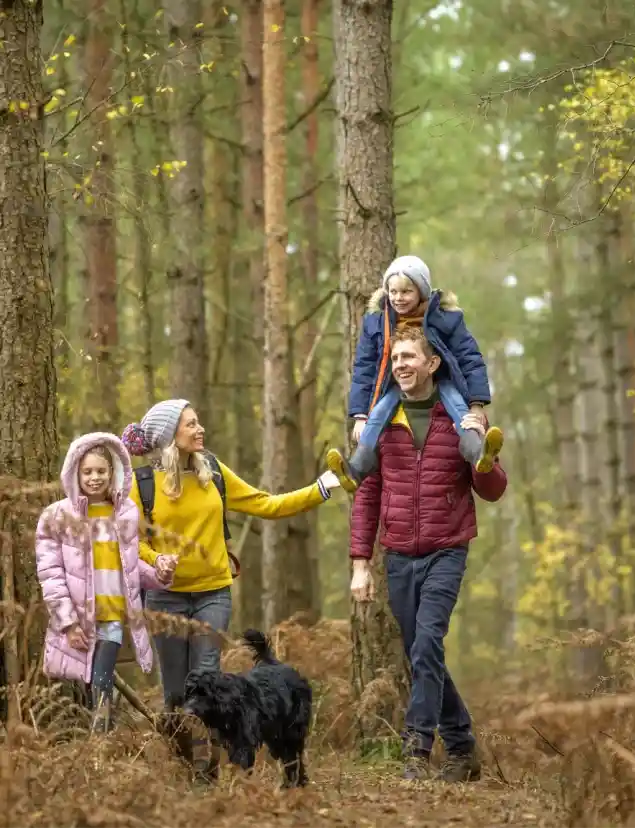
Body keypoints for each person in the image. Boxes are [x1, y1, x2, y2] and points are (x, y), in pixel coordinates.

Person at [120, 398, 340, 777]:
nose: (199, 429)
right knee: (175, 693)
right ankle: (183, 764)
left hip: (213, 593)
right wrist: (156, 559)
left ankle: (209, 772)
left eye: (198, 420)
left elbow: (266, 504)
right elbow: (129, 538)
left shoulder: (215, 473)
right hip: (163, 598)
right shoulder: (141, 483)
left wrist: (319, 489)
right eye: (190, 424)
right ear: (169, 435)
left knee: (209, 683)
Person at [348, 326, 508, 782]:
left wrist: (485, 460)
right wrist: (362, 563)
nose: (400, 365)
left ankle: (416, 750)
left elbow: (493, 491)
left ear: (432, 363)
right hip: (397, 554)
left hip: (446, 549)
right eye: (395, 358)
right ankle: (461, 748)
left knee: (427, 644)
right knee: (424, 654)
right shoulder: (382, 421)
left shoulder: (458, 416)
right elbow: (367, 493)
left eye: (409, 357)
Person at [35, 432, 177, 733]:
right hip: (80, 617)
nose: (94, 478)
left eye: (101, 471)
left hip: (112, 614)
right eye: (87, 471)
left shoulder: (125, 513)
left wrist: (159, 575)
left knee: (101, 678)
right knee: (86, 685)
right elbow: (51, 574)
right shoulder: (56, 516)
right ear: (75, 472)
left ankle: (100, 748)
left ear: (113, 472)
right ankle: (93, 752)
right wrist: (68, 624)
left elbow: (128, 566)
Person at [326, 255, 504, 493]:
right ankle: (357, 468)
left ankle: (477, 453)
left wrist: (477, 404)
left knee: (461, 413)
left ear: (421, 291)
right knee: (377, 415)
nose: (398, 298)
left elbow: (469, 357)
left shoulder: (446, 318)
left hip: (441, 380)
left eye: (406, 292)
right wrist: (360, 415)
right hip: (393, 384)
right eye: (393, 291)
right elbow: (364, 367)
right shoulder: (376, 322)